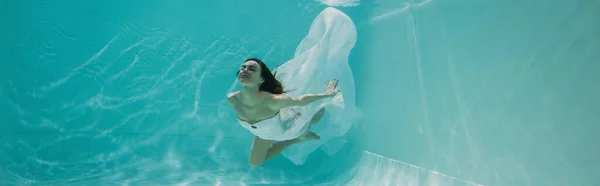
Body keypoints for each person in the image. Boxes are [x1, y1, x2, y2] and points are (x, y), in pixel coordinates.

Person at [227, 58, 340, 167]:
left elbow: (300, 101)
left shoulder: (272, 101)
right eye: (243, 68)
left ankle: (299, 135)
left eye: (251, 68)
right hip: (263, 133)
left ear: (261, 79)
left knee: (315, 117)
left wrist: (327, 94)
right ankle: (294, 141)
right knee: (254, 163)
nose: (244, 70)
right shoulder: (233, 99)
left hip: (283, 129)